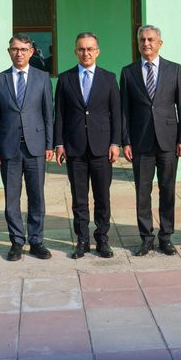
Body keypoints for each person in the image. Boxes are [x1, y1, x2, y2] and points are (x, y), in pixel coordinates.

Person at [121, 25, 181, 256]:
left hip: (168, 140)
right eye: (142, 39)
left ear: (160, 43)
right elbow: (124, 111)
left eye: (150, 39)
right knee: (143, 191)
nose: (146, 43)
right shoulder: (128, 72)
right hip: (140, 142)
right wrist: (126, 141)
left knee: (167, 189)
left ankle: (166, 236)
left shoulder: (174, 69)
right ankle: (146, 237)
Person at [54, 32, 121, 259]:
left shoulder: (109, 78)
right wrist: (59, 143)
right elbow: (59, 114)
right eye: (81, 49)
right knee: (79, 198)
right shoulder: (65, 79)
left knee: (102, 197)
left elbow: (116, 114)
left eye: (90, 49)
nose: (86, 53)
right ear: (75, 52)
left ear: (97, 52)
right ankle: (82, 240)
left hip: (102, 148)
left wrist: (115, 143)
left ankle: (102, 239)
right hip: (75, 148)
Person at [0, 34, 55, 260]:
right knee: (12, 199)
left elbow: (48, 114)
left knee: (37, 197)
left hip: (36, 147)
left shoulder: (42, 77)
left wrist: (49, 144)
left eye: (24, 49)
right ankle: (16, 241)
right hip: (9, 148)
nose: (19, 53)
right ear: (9, 51)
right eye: (15, 49)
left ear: (31, 52)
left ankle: (36, 240)